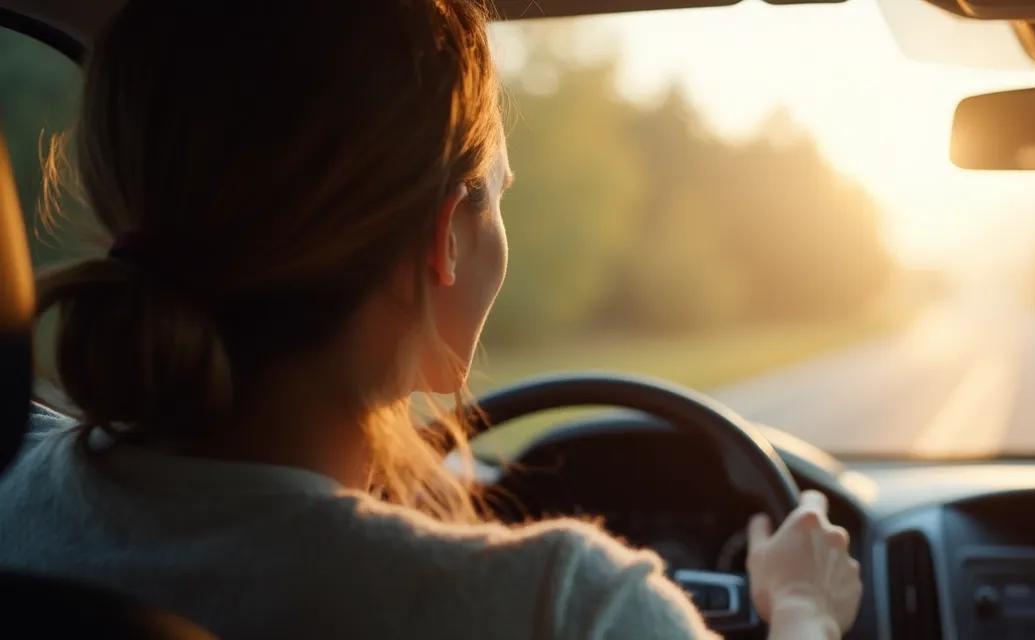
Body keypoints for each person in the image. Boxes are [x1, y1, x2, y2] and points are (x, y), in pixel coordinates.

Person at [0, 1, 861, 639]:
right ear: (447, 236)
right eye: (499, 195)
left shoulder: (15, 491)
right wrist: (803, 609)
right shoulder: (560, 607)